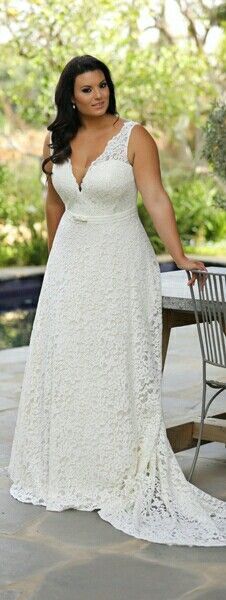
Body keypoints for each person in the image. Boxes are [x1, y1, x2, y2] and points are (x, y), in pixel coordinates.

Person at [6, 54, 226, 547]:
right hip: (70, 266)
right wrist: (53, 269)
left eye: (102, 85)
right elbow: (54, 203)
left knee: (115, 364)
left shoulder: (134, 136)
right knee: (70, 366)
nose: (98, 95)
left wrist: (180, 255)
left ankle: (115, 468)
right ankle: (70, 464)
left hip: (120, 262)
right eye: (87, 89)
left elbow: (156, 198)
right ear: (71, 96)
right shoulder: (56, 139)